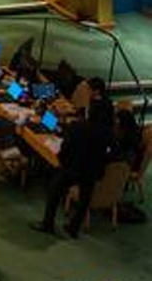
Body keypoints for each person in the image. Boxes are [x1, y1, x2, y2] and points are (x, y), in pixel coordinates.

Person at [36, 89, 115, 238]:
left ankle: (48, 224)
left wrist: (61, 162)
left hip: (73, 169)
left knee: (54, 190)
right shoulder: (108, 132)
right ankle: (74, 228)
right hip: (92, 172)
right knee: (85, 200)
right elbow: (109, 153)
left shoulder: (78, 127)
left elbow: (66, 149)